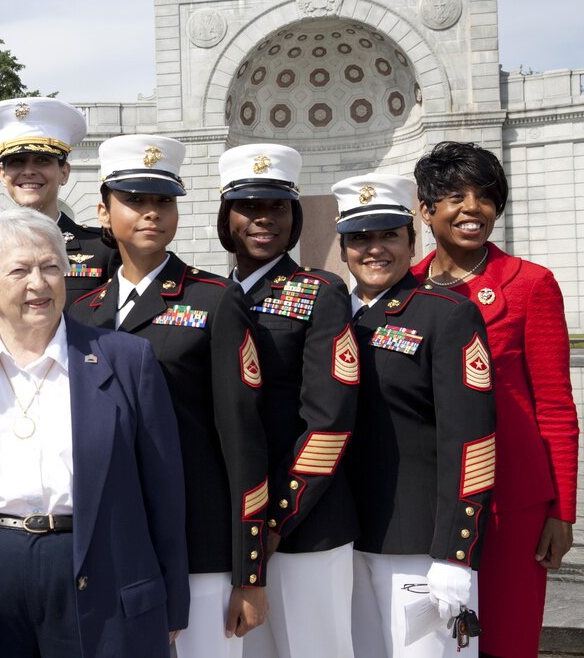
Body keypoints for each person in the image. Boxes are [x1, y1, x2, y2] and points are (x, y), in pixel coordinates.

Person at [0, 207, 189, 658]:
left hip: (102, 572)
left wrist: (172, 602)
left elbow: (165, 490)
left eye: (50, 267)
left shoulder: (126, 359)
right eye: (19, 270)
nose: (38, 284)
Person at [67, 135, 269, 657]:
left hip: (198, 542)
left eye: (163, 201)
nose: (151, 213)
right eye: (135, 200)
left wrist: (249, 571)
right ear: (103, 212)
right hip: (112, 541)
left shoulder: (216, 301)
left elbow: (243, 437)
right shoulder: (82, 312)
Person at [411, 141, 578, 658]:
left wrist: (562, 511)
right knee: (430, 642)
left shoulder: (531, 285)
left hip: (513, 503)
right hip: (425, 503)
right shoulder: (404, 287)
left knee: (505, 639)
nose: (472, 209)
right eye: (455, 196)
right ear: (425, 209)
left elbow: (555, 405)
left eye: (485, 197)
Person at [333, 173, 497, 657]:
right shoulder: (333, 318)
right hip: (346, 544)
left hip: (419, 552)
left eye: (388, 234)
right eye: (360, 237)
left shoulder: (446, 315)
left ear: (412, 240)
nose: (374, 249)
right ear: (342, 249)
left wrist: (455, 553)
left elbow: (471, 441)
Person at [216, 144, 360, 658]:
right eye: (248, 206)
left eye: (277, 207)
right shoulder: (208, 295)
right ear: (225, 214)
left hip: (301, 524)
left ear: (295, 216)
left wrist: (275, 518)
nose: (263, 219)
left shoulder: (320, 292)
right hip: (230, 528)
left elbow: (330, 418)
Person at [0, 97, 117, 324]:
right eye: (17, 162)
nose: (29, 171)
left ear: (64, 172)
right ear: (2, 174)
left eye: (42, 160)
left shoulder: (104, 249)